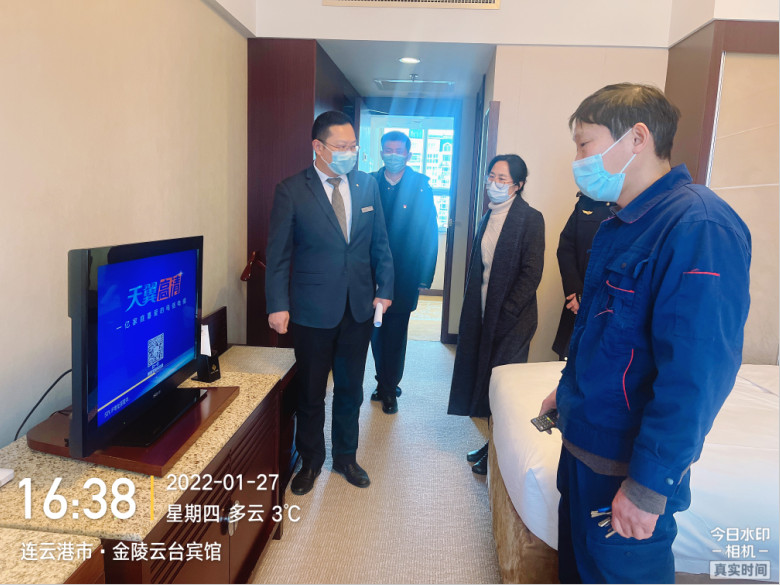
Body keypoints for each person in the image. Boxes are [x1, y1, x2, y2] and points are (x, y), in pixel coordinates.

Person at [538, 83, 751, 583]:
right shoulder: (622, 224)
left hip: (624, 467)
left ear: (637, 138)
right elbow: (602, 336)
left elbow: (695, 376)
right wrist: (566, 395)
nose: (578, 160)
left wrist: (648, 488)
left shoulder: (699, 226)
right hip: (584, 447)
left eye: (584, 144)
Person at [265, 111, 394, 496]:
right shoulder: (291, 190)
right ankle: (310, 460)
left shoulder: (368, 185)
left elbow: (380, 243)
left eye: (353, 146)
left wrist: (385, 289)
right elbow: (279, 254)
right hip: (311, 310)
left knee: (351, 389)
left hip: (358, 307)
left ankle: (345, 457)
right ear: (318, 147)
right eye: (341, 146)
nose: (349, 152)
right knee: (311, 392)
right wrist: (277, 304)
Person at [448, 154, 544, 475]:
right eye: (492, 176)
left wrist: (508, 312)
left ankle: (498, 454)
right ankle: (491, 445)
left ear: (518, 185)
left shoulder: (530, 219)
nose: (494, 183)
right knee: (485, 380)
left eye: (502, 179)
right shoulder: (488, 215)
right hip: (484, 312)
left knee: (503, 387)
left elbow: (531, 273)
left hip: (514, 320)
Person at [369, 131, 439, 415]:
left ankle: (389, 389)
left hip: (406, 272)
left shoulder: (420, 186)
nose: (393, 155)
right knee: (376, 333)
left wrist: (425, 275)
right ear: (381, 153)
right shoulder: (369, 183)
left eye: (399, 151)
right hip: (372, 273)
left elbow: (430, 233)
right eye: (388, 150)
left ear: (409, 155)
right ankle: (383, 380)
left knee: (396, 334)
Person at [551, 192, 613, 360]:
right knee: (568, 359)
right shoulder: (586, 203)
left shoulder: (633, 205)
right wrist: (574, 291)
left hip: (610, 304)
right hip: (578, 300)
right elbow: (566, 249)